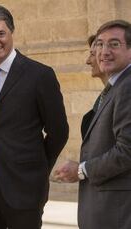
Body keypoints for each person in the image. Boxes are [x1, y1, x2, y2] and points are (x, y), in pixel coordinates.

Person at [0, 4, 69, 229]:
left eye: (0, 33)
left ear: (11, 32)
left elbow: (59, 132)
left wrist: (37, 168)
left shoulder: (39, 75)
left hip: (25, 186)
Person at [55, 20, 131, 228]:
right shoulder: (116, 86)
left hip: (118, 213)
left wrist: (81, 170)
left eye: (114, 44)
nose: (103, 52)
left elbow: (127, 151)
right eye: (99, 44)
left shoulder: (127, 87)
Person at [55, 34, 110, 180]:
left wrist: (81, 170)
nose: (88, 61)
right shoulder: (103, 98)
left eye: (92, 54)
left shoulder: (124, 94)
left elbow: (124, 152)